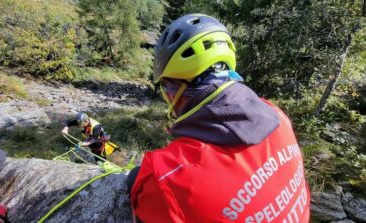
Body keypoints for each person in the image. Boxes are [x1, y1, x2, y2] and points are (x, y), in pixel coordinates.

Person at [128, 14, 310, 222]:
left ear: (174, 92)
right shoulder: (277, 114)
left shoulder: (166, 177)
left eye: (166, 88)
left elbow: (148, 194)